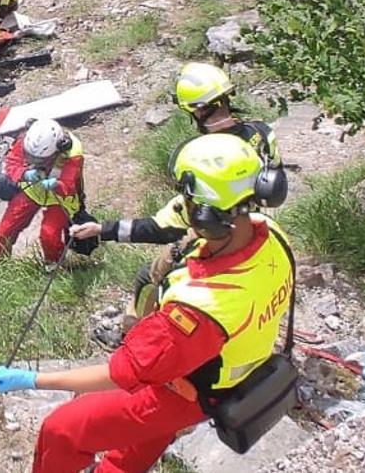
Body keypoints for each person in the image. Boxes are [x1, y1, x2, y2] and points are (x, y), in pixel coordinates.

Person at [0, 134, 296, 473]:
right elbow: (164, 228)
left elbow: (121, 374)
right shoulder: (270, 233)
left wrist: (32, 380)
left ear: (207, 215)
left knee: (62, 429)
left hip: (184, 391)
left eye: (188, 199)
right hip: (225, 374)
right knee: (136, 448)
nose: (182, 204)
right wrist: (104, 230)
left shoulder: (198, 308)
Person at [72, 62, 289, 325]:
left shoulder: (201, 159)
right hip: (255, 227)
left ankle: (131, 333)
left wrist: (104, 229)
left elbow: (164, 226)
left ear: (198, 110)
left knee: (147, 278)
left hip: (215, 238)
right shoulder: (263, 134)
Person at [0, 118, 84, 263]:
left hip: (60, 198)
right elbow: (12, 163)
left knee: (49, 235)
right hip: (32, 190)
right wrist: (24, 174)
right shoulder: (27, 139)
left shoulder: (73, 153)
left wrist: (56, 185)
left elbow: (70, 184)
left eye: (40, 159)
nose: (34, 162)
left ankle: (53, 265)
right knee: (3, 232)